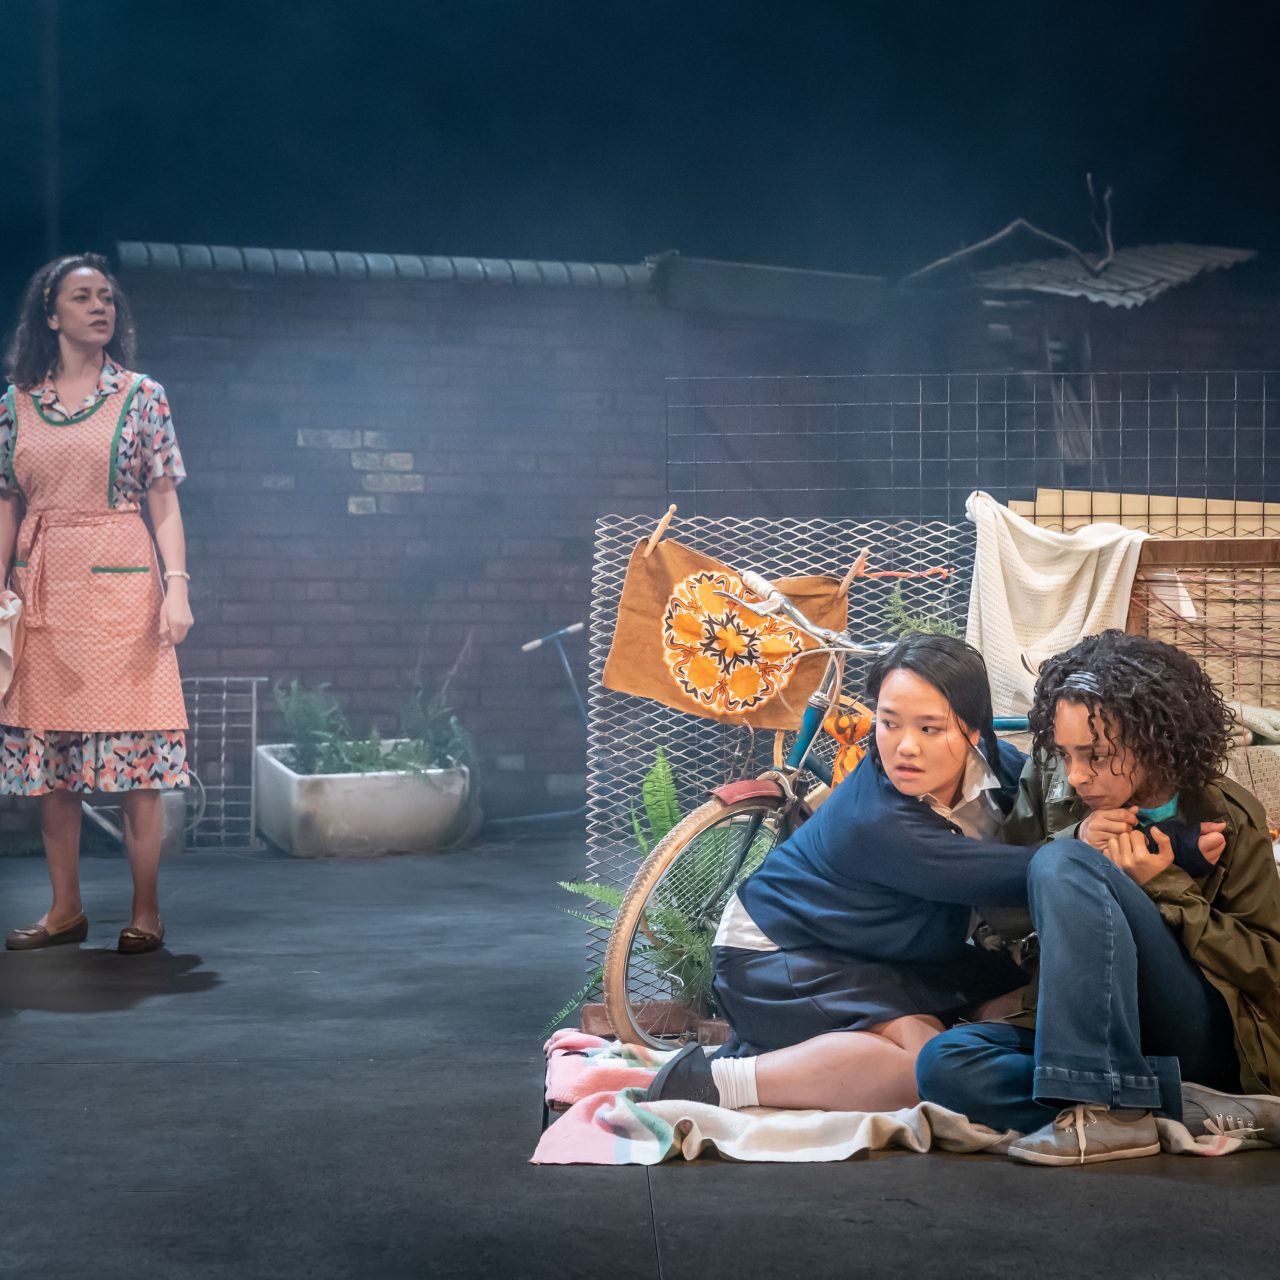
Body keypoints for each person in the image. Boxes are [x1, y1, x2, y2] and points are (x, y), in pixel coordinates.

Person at [916, 630, 1280, 1166]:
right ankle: (1176, 1104)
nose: (1077, 775)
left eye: (1096, 754)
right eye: (1063, 753)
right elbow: (1002, 912)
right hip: (1082, 1025)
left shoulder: (1230, 814)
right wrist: (1076, 840)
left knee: (1061, 860)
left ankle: (1103, 1111)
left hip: (1196, 1027)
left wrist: (1164, 887)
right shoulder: (1052, 783)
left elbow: (1268, 971)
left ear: (1158, 739)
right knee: (944, 1065)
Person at [647, 633, 1039, 1113]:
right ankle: (714, 1082)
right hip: (777, 952)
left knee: (1010, 995)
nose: (905, 748)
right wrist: (1099, 854)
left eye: (930, 729)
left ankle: (824, 1056)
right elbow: (1030, 873)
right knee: (923, 1067)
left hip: (875, 947)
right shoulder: (879, 822)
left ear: (973, 732)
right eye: (889, 724)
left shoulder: (996, 766)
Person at [1, 252, 193, 954]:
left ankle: (146, 911)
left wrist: (178, 587)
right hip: (42, 588)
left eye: (106, 297)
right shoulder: (15, 405)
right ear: (50, 316)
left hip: (121, 587)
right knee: (55, 769)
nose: (99, 307)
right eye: (82, 297)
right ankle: (64, 910)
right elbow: (5, 503)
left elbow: (165, 499)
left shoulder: (142, 397)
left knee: (135, 764)